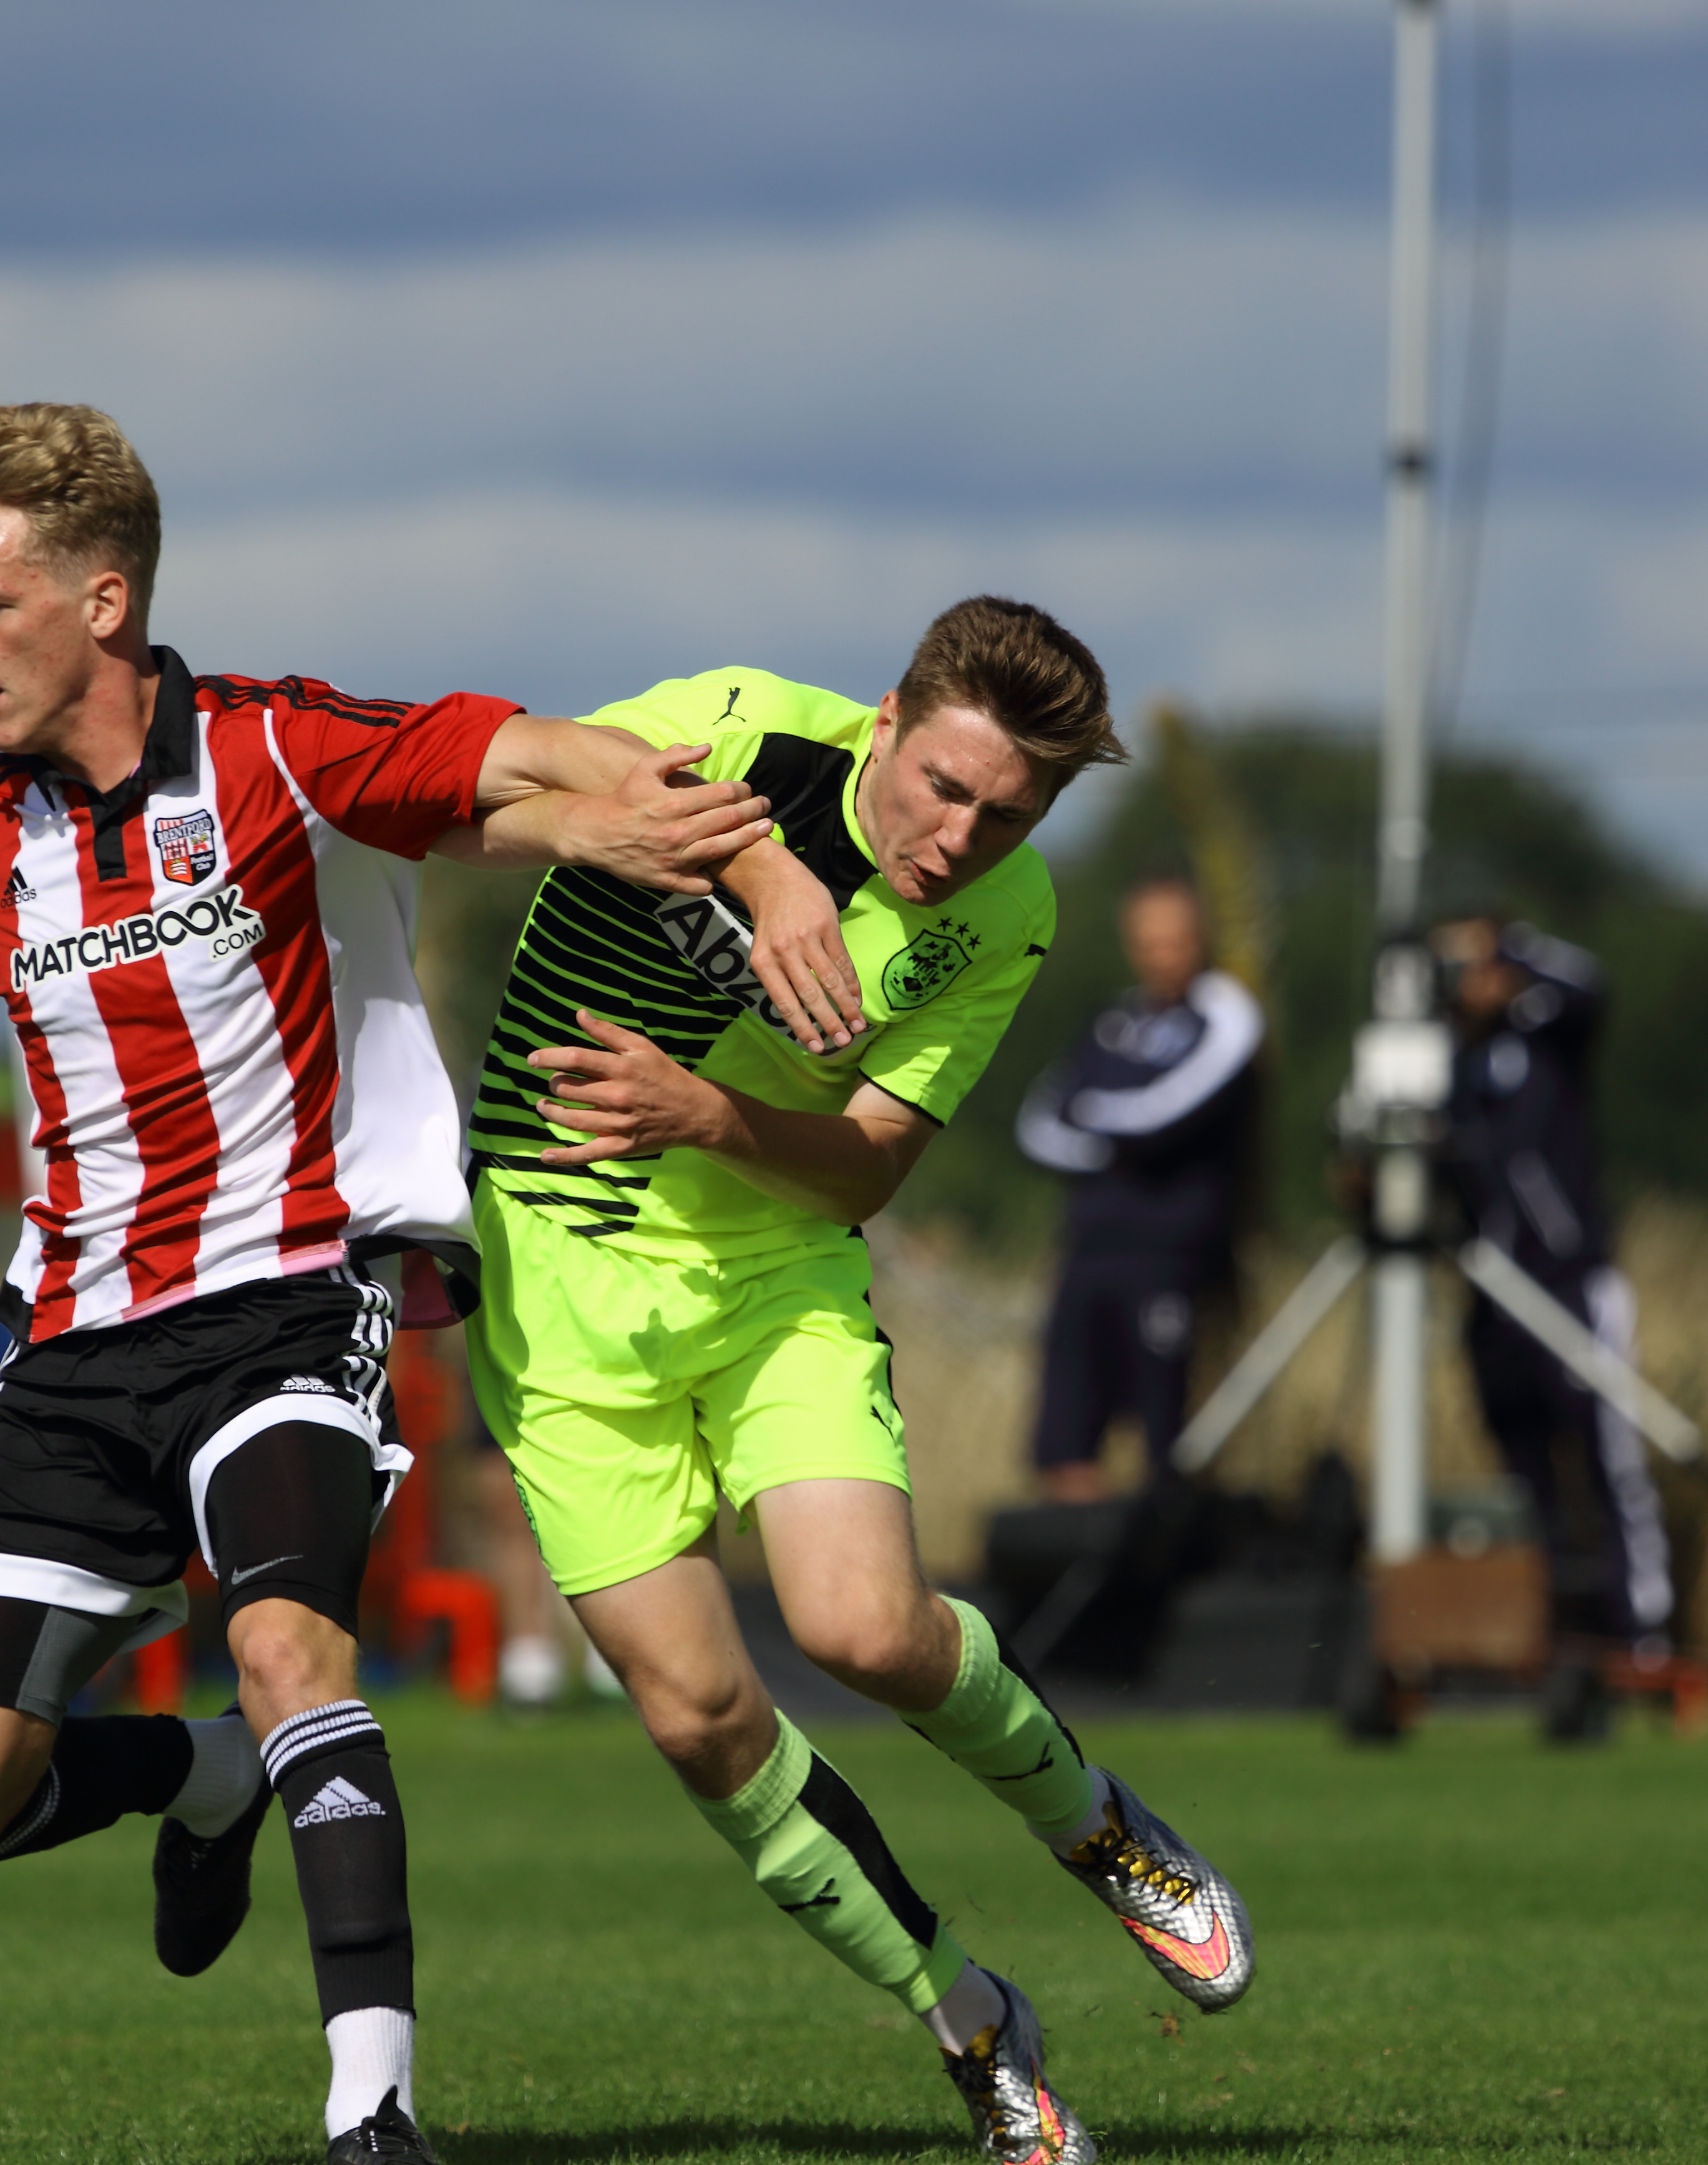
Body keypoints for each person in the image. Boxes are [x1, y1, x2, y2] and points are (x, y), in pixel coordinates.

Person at [0, 400, 770, 2165]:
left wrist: (647, 820)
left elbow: (519, 751)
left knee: (283, 1645)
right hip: (71, 1343)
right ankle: (202, 1776)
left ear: (101, 601)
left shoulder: (274, 745)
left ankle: (372, 2109)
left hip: (286, 1301)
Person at [462, 605, 1256, 2165]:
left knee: (864, 1630)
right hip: (554, 1281)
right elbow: (487, 786)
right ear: (885, 718)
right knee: (701, 1718)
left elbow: (872, 1166)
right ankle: (971, 2019)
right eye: (943, 787)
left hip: (774, 1271)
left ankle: (1095, 1826)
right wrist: (755, 864)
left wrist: (703, 1113)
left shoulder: (1003, 914)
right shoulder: (736, 727)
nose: (957, 839)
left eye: (1005, 815)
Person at [1435, 913, 1674, 1742]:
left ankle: (1641, 1632)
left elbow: (1591, 986)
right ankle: (1553, 1629)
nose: (1470, 977)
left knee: (1609, 1462)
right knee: (1525, 1474)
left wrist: (1512, 950)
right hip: (1490, 1295)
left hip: (1571, 1284)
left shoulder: (1548, 1032)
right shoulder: (1448, 1063)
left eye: (1478, 960)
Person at [1014, 874, 1261, 1503]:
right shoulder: (1114, 1021)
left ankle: (1170, 1539)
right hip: (1089, 1248)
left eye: (1174, 941)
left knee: (1170, 1435)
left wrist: (1096, 1121)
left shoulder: (1225, 1013)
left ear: (1201, 937)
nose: (1161, 956)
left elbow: (1165, 1118)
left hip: (1172, 1254)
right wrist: (1107, 1141)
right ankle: (1083, 1543)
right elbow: (1039, 1124)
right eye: (1147, 943)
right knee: (1066, 1431)